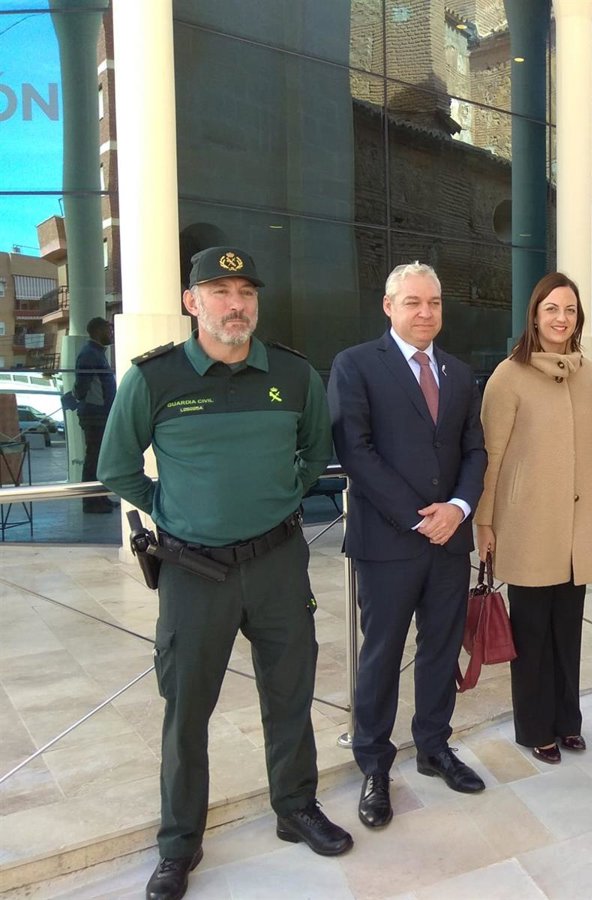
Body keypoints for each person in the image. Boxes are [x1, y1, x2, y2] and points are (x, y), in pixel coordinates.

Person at [98, 246, 351, 900]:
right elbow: (117, 468)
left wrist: (280, 497)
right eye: (219, 291)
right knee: (186, 710)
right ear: (192, 302)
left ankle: (295, 807)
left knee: (290, 694)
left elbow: (314, 452)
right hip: (193, 572)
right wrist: (172, 511)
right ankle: (179, 843)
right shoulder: (153, 379)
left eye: (246, 293)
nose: (235, 305)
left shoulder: (293, 374)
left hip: (278, 564)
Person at [329, 261, 488, 832]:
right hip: (388, 542)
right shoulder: (355, 365)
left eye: (434, 303)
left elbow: (475, 450)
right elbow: (356, 449)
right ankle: (374, 765)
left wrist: (459, 508)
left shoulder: (459, 372)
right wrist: (420, 519)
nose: (425, 312)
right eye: (413, 302)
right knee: (382, 655)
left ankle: (434, 746)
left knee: (441, 649)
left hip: (450, 541)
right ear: (389, 306)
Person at [474, 272, 592, 764]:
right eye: (551, 308)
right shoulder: (508, 376)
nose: (561, 318)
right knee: (531, 633)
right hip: (526, 525)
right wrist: (484, 522)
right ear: (534, 315)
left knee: (568, 630)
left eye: (570, 309)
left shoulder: (588, 374)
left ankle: (567, 721)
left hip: (576, 525)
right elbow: (490, 455)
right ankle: (535, 728)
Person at [73, 316, 118, 513]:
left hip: (101, 414)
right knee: (93, 458)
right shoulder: (89, 354)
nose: (111, 333)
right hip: (94, 416)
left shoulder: (96, 353)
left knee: (100, 457)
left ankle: (100, 497)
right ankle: (91, 502)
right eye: (108, 330)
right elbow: (81, 387)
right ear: (98, 331)